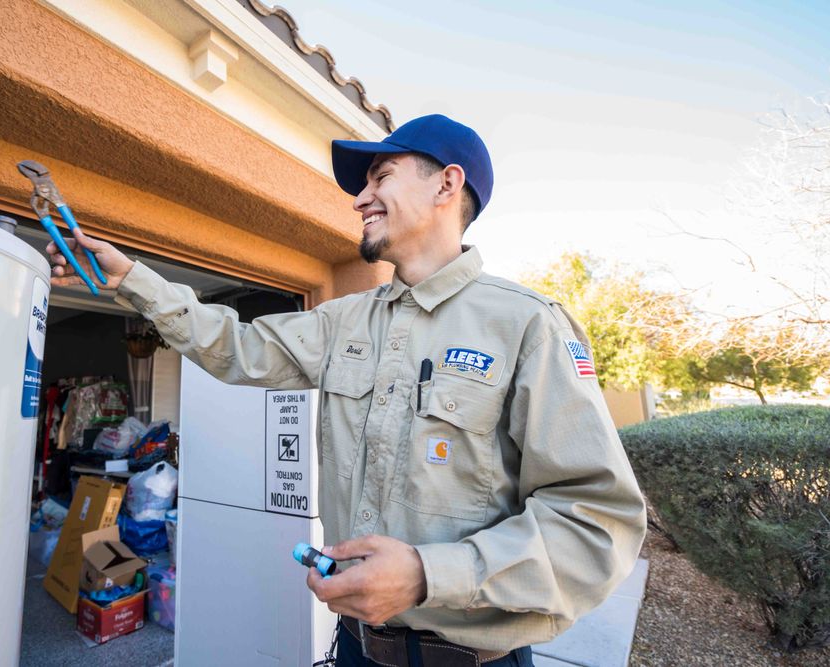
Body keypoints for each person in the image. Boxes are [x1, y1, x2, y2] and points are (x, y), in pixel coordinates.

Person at [47, 114, 647, 667]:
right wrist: (134, 279)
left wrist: (427, 574)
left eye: (380, 176)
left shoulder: (528, 325)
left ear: (447, 185)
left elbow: (595, 520)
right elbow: (238, 347)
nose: (359, 199)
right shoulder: (344, 320)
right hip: (357, 649)